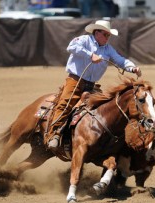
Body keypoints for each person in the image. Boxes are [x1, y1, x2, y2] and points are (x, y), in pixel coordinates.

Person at [47, 20, 142, 150]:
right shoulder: (84, 40)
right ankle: (54, 134)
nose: (107, 38)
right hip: (75, 81)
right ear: (96, 33)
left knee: (103, 108)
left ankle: (99, 139)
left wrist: (133, 68)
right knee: (65, 104)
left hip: (91, 85)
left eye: (109, 35)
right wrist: (90, 54)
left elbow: (120, 60)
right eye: (105, 35)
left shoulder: (108, 49)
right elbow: (71, 47)